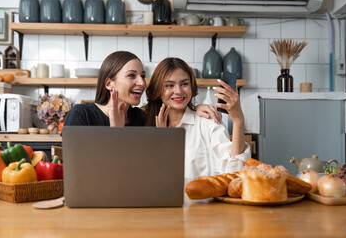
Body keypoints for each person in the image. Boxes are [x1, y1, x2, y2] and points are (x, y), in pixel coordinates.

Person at [143, 57, 251, 181]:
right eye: (169, 85)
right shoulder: (144, 122)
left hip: (202, 200)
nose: (178, 91)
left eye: (184, 84)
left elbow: (234, 174)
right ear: (157, 89)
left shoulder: (208, 122)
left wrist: (238, 121)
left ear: (192, 87)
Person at [64, 51, 221, 127]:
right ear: (109, 84)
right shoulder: (81, 115)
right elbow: (79, 168)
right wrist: (115, 133)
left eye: (142, 75)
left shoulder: (140, 118)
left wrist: (194, 108)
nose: (142, 82)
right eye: (132, 75)